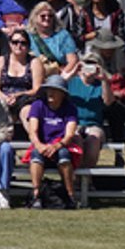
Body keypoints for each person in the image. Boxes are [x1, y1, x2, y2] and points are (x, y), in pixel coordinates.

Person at [21, 77, 80, 209]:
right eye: (48, 90)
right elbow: (33, 131)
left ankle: (70, 196)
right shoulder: (37, 105)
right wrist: (39, 145)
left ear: (63, 94)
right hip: (42, 145)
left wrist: (57, 145)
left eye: (55, 90)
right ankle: (36, 195)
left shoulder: (70, 108)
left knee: (64, 154)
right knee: (36, 155)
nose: (50, 93)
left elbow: (70, 134)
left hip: (61, 145)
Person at [0, 27, 41, 115]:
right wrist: (6, 98)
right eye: (15, 42)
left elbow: (37, 89)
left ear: (28, 45)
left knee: (28, 111)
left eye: (23, 43)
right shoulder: (0, 61)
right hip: (3, 99)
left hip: (26, 99)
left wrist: (18, 95)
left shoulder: (34, 62)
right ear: (10, 44)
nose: (19, 46)